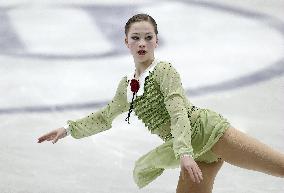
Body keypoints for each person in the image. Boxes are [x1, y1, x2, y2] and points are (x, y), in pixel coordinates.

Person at [37, 13, 284, 193]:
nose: (142, 42)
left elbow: (178, 111)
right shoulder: (127, 86)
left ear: (156, 41)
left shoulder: (164, 71)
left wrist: (185, 153)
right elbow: (104, 117)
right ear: (126, 42)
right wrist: (68, 129)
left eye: (148, 37)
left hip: (207, 132)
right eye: (136, 37)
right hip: (189, 149)